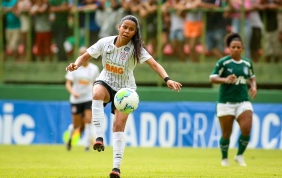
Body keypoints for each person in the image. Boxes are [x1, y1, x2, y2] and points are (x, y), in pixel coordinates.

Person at [66, 15, 182, 178]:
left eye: (131, 29)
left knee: (118, 126)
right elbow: (85, 56)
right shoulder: (105, 42)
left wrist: (167, 79)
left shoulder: (137, 49)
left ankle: (116, 168)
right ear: (118, 27)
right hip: (105, 81)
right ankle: (99, 136)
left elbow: (155, 65)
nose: (127, 31)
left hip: (126, 91)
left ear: (135, 32)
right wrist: (76, 64)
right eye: (125, 27)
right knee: (97, 92)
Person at [209, 33, 257, 167]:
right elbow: (212, 78)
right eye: (233, 47)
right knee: (226, 133)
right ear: (229, 48)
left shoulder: (247, 63)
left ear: (242, 48)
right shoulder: (223, 62)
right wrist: (225, 79)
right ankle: (224, 159)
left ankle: (240, 155)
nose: (236, 49)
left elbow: (252, 77)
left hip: (243, 100)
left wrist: (253, 86)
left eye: (238, 47)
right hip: (225, 102)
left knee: (246, 128)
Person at [65, 46, 100, 151]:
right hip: (76, 99)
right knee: (77, 125)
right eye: (81, 53)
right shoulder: (75, 67)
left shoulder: (94, 69)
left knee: (89, 120)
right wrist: (73, 92)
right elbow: (68, 83)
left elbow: (96, 82)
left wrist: (95, 92)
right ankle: (70, 139)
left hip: (88, 98)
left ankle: (87, 146)